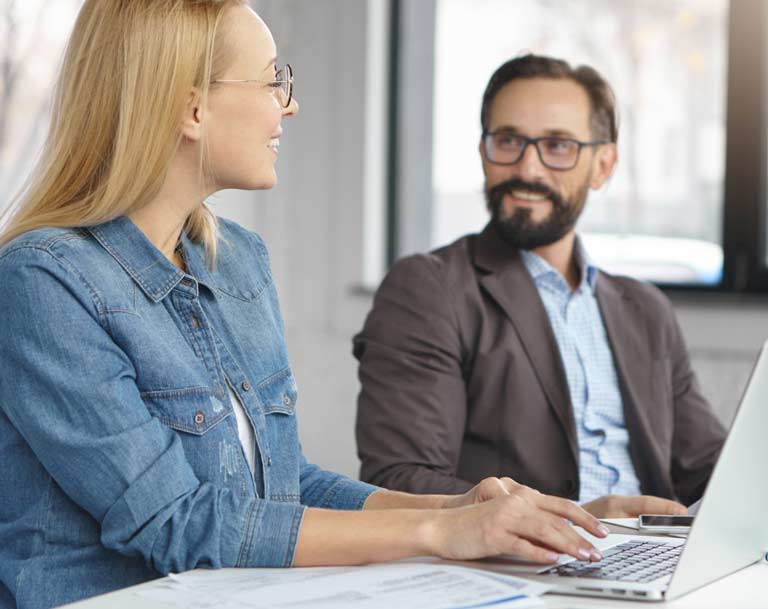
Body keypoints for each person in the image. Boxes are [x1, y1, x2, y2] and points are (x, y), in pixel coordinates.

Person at [0, 6, 607, 609]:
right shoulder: (43, 282)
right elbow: (179, 523)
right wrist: (436, 533)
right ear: (191, 108)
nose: (287, 105)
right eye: (271, 80)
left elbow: (281, 488)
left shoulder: (235, 259)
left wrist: (459, 508)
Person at [354, 54, 728, 518]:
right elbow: (401, 481)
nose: (528, 169)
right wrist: (574, 519)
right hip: (521, 571)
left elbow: (712, 470)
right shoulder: (430, 290)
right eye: (508, 140)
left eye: (557, 146)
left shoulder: (645, 309)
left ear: (603, 165)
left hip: (656, 561)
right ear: (483, 150)